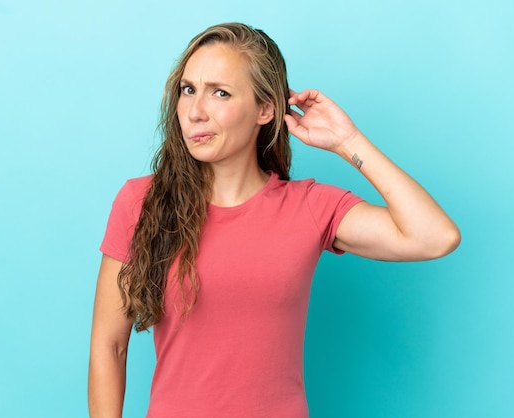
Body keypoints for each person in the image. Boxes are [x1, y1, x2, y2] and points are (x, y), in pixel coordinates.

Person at [88, 22, 460, 418]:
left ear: (265, 109)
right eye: (188, 89)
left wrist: (347, 141)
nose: (195, 112)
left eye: (220, 93)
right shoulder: (142, 201)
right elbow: (110, 346)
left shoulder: (311, 207)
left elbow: (434, 236)